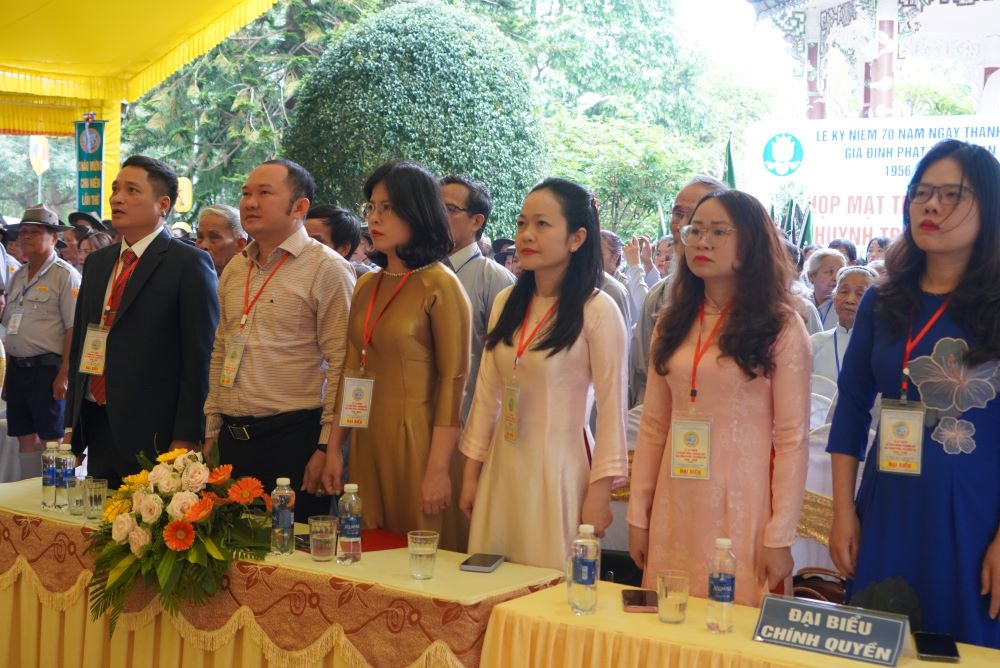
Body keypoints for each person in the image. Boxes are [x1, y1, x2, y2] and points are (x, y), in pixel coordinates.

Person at [827, 140, 1000, 648]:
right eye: (922, 192)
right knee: (879, 642)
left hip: (975, 515)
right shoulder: (882, 299)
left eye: (951, 195)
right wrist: (842, 511)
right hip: (887, 506)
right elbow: (851, 408)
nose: (931, 205)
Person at [628, 189, 810, 605]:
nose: (702, 242)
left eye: (718, 232)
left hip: (743, 505)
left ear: (750, 243)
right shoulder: (671, 322)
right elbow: (654, 427)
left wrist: (780, 534)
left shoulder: (781, 326)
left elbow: (792, 439)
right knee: (670, 619)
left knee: (729, 623)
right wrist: (638, 515)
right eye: (695, 231)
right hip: (676, 501)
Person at [458, 177, 628, 570]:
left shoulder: (597, 310)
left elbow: (612, 409)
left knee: (549, 582)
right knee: (490, 579)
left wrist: (600, 493)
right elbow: (487, 395)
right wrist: (471, 473)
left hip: (560, 469)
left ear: (577, 238)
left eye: (542, 224)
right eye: (522, 223)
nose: (526, 235)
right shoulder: (506, 302)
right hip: (503, 465)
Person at [320, 160, 472, 551]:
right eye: (371, 207)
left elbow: (453, 382)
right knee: (370, 549)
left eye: (388, 208)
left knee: (422, 554)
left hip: (421, 440)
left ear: (417, 212)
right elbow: (351, 370)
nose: (374, 218)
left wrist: (438, 468)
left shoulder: (440, 284)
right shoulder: (366, 283)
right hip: (367, 439)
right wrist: (334, 448)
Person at [204, 160, 355, 522]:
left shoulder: (327, 268)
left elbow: (344, 363)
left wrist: (327, 447)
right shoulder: (236, 267)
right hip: (232, 439)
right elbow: (221, 349)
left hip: (294, 440)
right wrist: (211, 430)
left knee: (290, 550)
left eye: (264, 193)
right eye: (246, 194)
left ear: (299, 207)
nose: (250, 203)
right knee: (230, 548)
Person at [65, 156, 219, 489]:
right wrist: (71, 428)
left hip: (155, 432)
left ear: (163, 204)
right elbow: (81, 344)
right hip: (97, 420)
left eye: (132, 190)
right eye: (115, 189)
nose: (117, 198)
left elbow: (199, 358)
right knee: (99, 517)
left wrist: (187, 434)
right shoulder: (98, 262)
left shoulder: (188, 263)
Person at [628, 175, 728, 407]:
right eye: (677, 214)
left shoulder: (764, 307)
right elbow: (643, 380)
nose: (682, 225)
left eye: (694, 216)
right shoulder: (659, 297)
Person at [1, 205, 80, 478]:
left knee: (52, 439)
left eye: (34, 232)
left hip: (49, 369)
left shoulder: (65, 275)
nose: (25, 237)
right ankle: (30, 495)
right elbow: (12, 328)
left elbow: (73, 328)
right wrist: (8, 376)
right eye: (23, 232)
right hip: (18, 369)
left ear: (54, 238)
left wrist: (65, 373)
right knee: (24, 436)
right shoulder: (18, 275)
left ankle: (55, 495)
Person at [439, 174, 515, 422]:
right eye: (434, 207)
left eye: (449, 209)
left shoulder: (496, 280)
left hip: (468, 423)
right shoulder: (420, 272)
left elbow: (508, 365)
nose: (437, 216)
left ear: (476, 221)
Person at [810, 266, 877, 381]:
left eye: (860, 294)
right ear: (834, 296)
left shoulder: (879, 346)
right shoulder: (815, 343)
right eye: (844, 292)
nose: (850, 300)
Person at [305, 204, 370, 278]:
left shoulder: (344, 281)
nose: (303, 245)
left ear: (343, 249)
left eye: (315, 241)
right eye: (302, 237)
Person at [196, 204, 248, 276]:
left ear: (240, 245)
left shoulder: (250, 280)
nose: (203, 245)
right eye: (200, 237)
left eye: (214, 237)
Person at [805, 247, 846, 330]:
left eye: (840, 273)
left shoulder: (845, 307)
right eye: (830, 271)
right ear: (811, 276)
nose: (836, 278)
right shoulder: (801, 303)